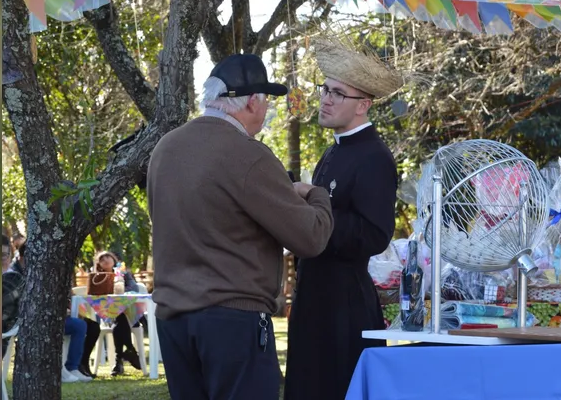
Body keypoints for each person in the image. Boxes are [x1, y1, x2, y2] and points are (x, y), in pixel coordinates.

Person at [148, 54, 334, 400]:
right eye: (266, 102)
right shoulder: (249, 155)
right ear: (252, 102)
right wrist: (316, 195)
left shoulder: (165, 148)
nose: (266, 111)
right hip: (232, 322)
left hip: (173, 320)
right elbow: (310, 237)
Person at [285, 41, 402, 400]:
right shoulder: (334, 149)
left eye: (338, 93)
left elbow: (374, 233)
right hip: (314, 298)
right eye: (325, 89)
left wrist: (313, 208)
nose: (326, 99)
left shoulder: (375, 157)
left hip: (343, 305)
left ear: (363, 105)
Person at [2, 242, 91, 383]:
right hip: (22, 322)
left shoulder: (45, 270)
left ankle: (72, 367)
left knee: (81, 325)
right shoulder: (13, 274)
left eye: (5, 255)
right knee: (51, 326)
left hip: (46, 316)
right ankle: (59, 370)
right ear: (21, 257)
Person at [78, 251, 143, 377]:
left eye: (108, 257)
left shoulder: (124, 274)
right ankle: (129, 351)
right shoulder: (97, 278)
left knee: (121, 316)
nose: (106, 260)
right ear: (99, 264)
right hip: (108, 315)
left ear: (114, 260)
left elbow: (134, 289)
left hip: (131, 315)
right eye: (102, 259)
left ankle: (119, 360)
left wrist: (118, 289)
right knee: (118, 317)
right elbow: (93, 294)